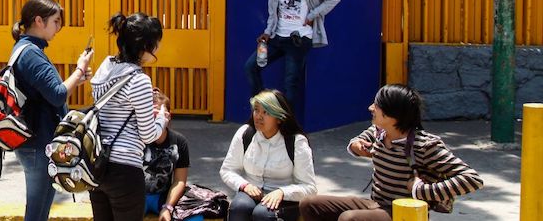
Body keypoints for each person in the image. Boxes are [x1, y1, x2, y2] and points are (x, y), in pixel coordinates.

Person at [299, 85, 483, 221]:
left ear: (392, 116)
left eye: (377, 106)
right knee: (309, 204)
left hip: (404, 212)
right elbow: (357, 141)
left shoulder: (425, 145)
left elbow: (472, 179)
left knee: (350, 219)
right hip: (376, 204)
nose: (371, 108)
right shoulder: (379, 131)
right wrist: (356, 146)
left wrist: (422, 191)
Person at [10, 0, 93, 221]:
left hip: (39, 141)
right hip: (37, 143)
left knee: (41, 211)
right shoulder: (31, 54)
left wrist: (77, 79)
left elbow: (50, 92)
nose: (58, 28)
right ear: (39, 20)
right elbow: (57, 95)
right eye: (56, 21)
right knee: (36, 213)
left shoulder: (28, 50)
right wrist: (79, 70)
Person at [89, 12, 169, 221]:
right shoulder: (139, 79)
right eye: (156, 44)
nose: (158, 49)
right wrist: (161, 118)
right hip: (124, 169)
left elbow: (115, 111)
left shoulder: (104, 67)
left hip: (97, 165)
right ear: (145, 46)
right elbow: (148, 134)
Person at [245, 0, 340, 116]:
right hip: (277, 37)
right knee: (251, 66)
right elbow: (272, 11)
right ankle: (262, 109)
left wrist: (312, 15)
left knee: (290, 83)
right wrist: (267, 32)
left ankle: (284, 122)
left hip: (299, 40)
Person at [220, 89, 317, 221]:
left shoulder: (296, 142)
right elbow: (227, 170)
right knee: (239, 208)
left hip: (284, 197)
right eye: (256, 110)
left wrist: (282, 192)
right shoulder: (245, 134)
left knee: (263, 214)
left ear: (279, 118)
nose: (258, 116)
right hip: (251, 190)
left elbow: (310, 187)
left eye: (265, 112)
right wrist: (244, 185)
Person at [143, 89, 202, 221]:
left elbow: (180, 180)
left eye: (157, 114)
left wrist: (168, 207)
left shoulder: (179, 141)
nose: (152, 118)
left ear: (168, 116)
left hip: (163, 195)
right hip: (137, 195)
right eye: (148, 114)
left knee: (196, 218)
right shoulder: (136, 138)